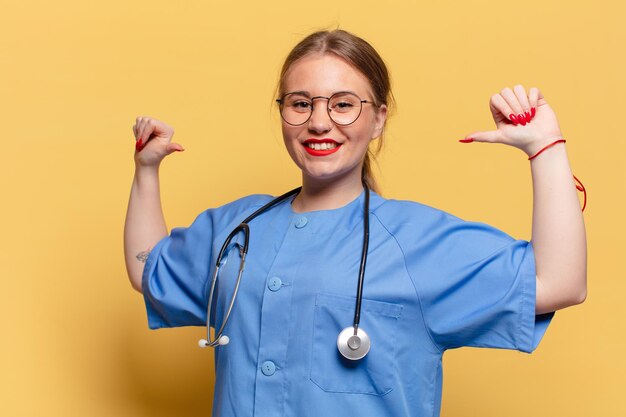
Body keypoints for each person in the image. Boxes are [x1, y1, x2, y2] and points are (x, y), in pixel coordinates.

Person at [124, 29, 586, 417]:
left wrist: (545, 148)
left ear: (379, 118)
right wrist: (146, 171)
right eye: (300, 103)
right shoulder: (236, 228)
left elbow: (560, 282)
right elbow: (150, 270)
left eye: (344, 104)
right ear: (282, 112)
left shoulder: (417, 242)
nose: (319, 122)